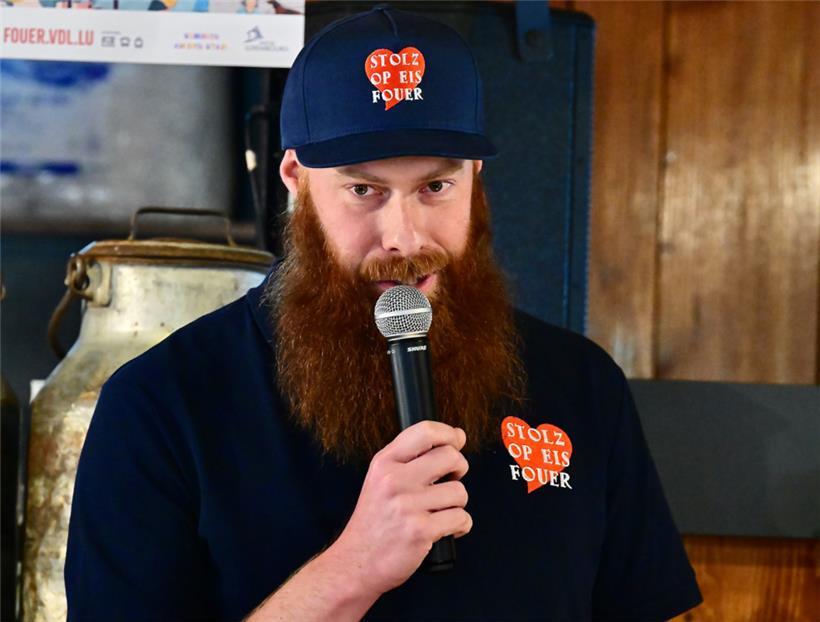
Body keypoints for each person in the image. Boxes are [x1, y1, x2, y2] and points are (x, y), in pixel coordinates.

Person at [65, 5, 702, 621]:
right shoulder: (160, 404)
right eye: (363, 189)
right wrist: (354, 567)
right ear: (296, 179)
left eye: (435, 187)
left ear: (476, 177)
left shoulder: (580, 383)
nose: (403, 237)